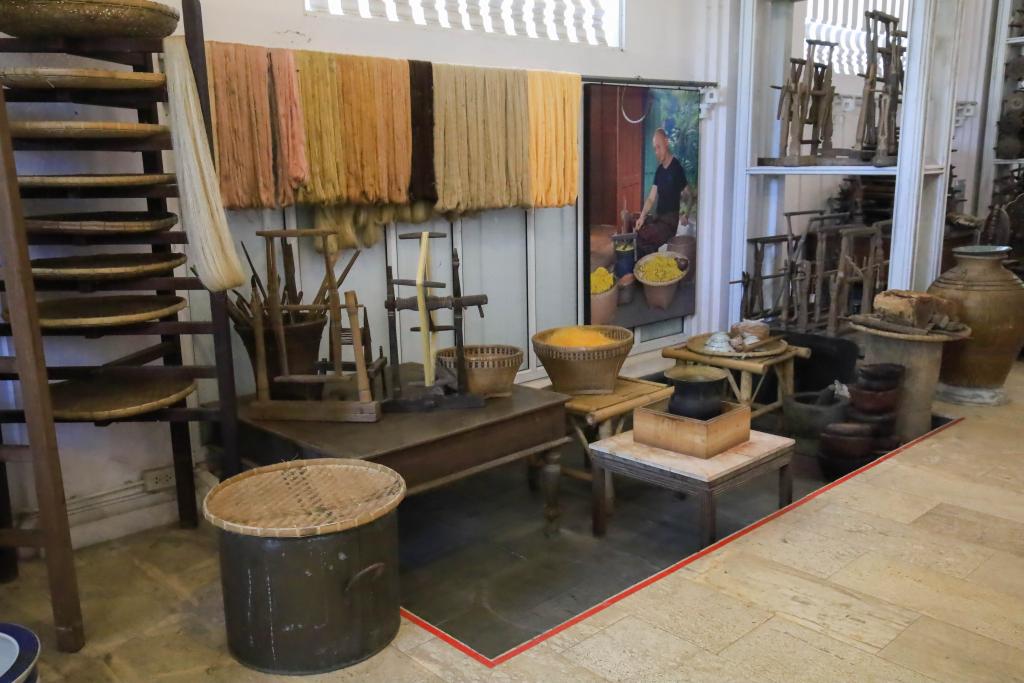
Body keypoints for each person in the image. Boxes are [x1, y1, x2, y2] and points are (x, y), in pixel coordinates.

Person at [635, 128, 689, 258]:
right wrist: (642, 217)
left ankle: (647, 265)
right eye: (655, 149)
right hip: (659, 219)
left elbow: (688, 194)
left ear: (666, 142)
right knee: (638, 226)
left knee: (642, 236)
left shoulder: (676, 168)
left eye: (659, 147)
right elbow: (651, 198)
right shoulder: (659, 170)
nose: (656, 152)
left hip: (670, 222)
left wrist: (685, 213)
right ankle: (653, 263)